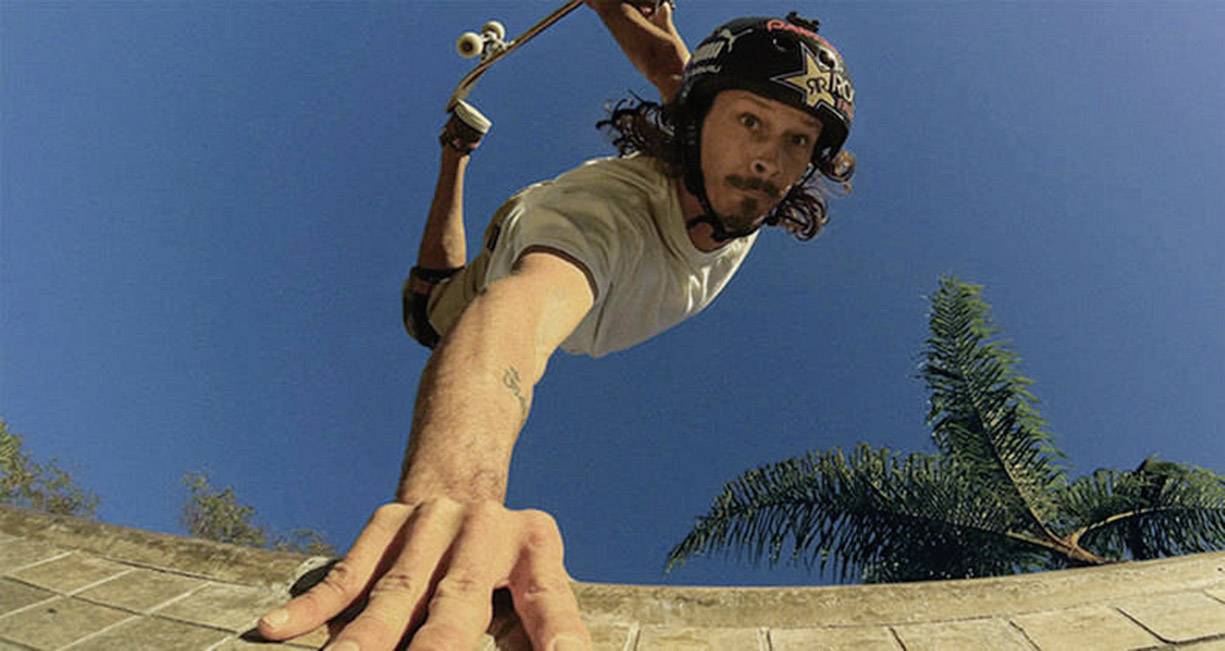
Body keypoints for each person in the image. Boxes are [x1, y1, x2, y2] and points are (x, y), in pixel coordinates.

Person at [257, 1, 857, 649]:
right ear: (696, 121)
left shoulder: (731, 164)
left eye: (796, 139)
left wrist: (635, 16)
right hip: (498, 269)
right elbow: (513, 316)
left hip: (655, 143)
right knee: (427, 309)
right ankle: (453, 153)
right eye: (750, 122)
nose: (767, 161)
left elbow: (675, 71)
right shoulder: (605, 214)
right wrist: (454, 501)